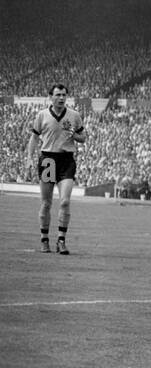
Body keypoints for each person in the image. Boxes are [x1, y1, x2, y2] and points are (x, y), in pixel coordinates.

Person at [26, 83, 87, 255]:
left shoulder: (74, 115)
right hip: (48, 160)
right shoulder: (42, 115)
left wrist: (74, 135)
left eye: (64, 95)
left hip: (66, 160)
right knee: (46, 203)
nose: (61, 98)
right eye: (58, 95)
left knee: (65, 201)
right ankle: (44, 240)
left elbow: (83, 137)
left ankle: (61, 240)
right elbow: (34, 138)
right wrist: (30, 159)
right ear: (50, 97)